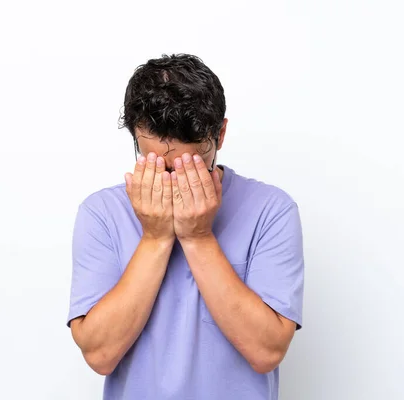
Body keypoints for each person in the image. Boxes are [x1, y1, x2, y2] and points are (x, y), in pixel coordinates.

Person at [66, 53, 305, 400]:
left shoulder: (272, 210)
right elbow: (100, 355)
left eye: (193, 166)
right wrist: (154, 237)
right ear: (136, 138)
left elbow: (266, 352)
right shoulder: (101, 213)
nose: (178, 183)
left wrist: (198, 237)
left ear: (220, 134)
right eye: (160, 168)